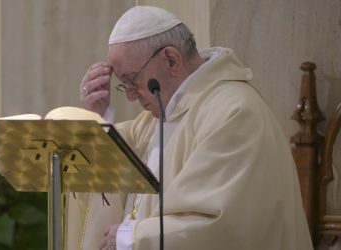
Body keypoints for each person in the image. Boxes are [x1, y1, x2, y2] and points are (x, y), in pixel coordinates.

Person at [65, 6, 312, 250]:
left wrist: (133, 238)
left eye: (133, 81)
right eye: (123, 85)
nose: (130, 96)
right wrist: (97, 116)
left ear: (171, 59)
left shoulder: (235, 113)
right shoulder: (156, 119)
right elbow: (113, 162)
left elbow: (220, 224)